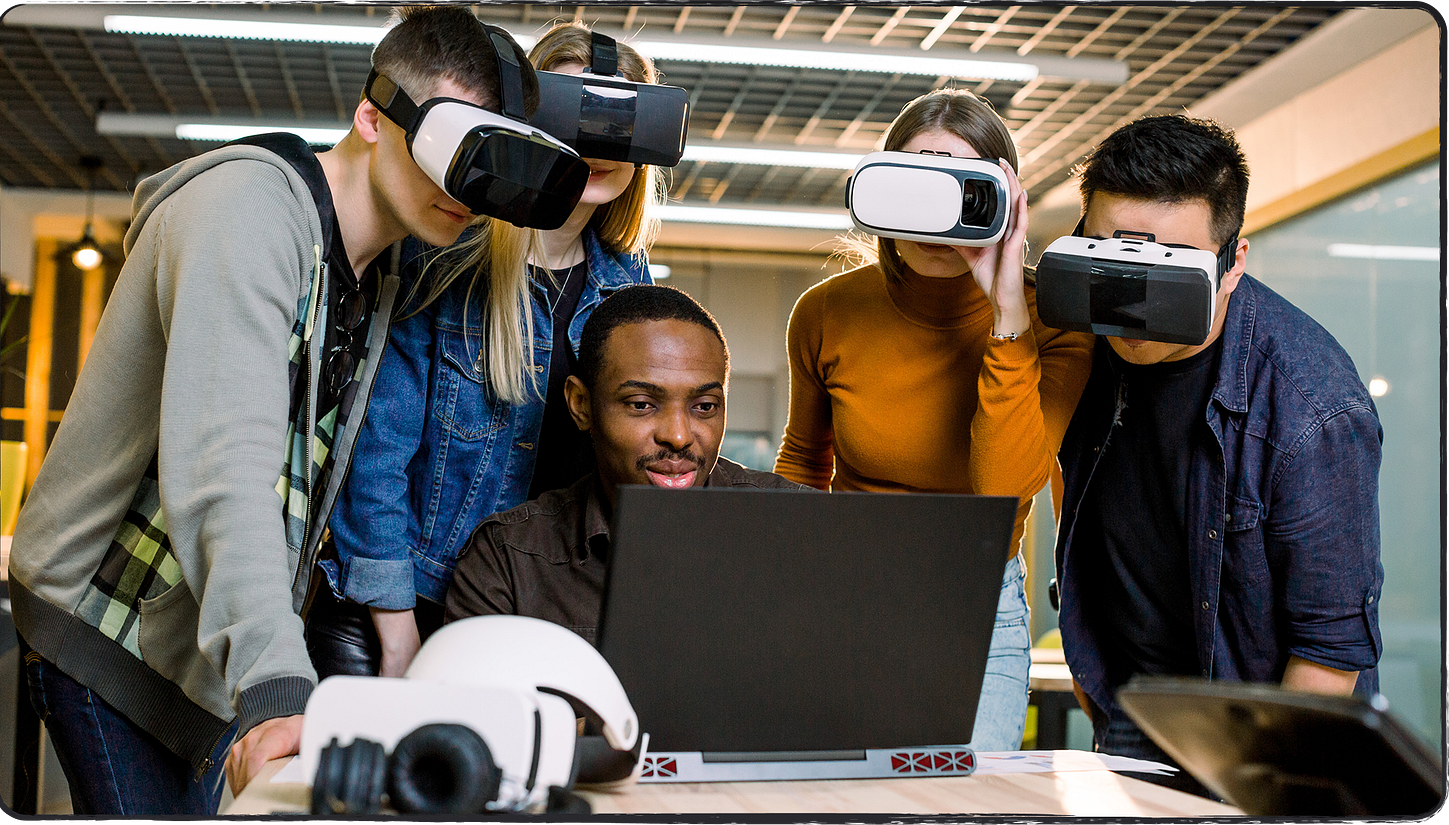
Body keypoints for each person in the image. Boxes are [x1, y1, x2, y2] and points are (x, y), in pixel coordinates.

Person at [6, 6, 532, 812]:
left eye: (484, 161)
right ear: (371, 115)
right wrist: (277, 682)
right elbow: (225, 468)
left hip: (198, 658)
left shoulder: (375, 273)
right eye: (451, 145)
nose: (464, 186)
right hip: (106, 630)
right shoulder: (249, 212)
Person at [308, 22, 662, 681]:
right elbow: (375, 454)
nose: (596, 145)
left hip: (537, 620)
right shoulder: (441, 254)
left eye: (618, 120)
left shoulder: (630, 288)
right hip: (409, 609)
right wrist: (399, 635)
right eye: (574, 110)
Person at [1052, 114, 1384, 794]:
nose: (1135, 301)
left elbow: (1328, 652)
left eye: (1167, 274)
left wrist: (1265, 790)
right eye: (1116, 266)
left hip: (1257, 744)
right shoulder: (1081, 351)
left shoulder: (1312, 405)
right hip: (1129, 717)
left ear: (1233, 262)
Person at [773, 89, 1094, 752]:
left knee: (965, 799)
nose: (936, 218)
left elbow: (1004, 488)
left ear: (1005, 201)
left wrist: (1007, 315)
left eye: (964, 193)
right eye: (916, 189)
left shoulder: (1056, 322)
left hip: (976, 603)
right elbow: (803, 464)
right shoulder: (826, 311)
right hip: (844, 586)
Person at [445, 284, 807, 639]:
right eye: (641, 404)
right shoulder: (510, 563)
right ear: (581, 405)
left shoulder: (803, 530)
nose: (678, 436)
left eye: (705, 407)